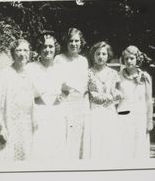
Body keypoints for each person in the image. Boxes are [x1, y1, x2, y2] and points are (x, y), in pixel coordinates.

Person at [0, 38, 36, 161]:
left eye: (25, 50)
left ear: (30, 53)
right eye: (19, 50)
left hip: (26, 127)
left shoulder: (30, 75)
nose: (22, 54)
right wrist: (1, 127)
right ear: (13, 53)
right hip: (9, 126)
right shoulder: (3, 75)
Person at [26, 32, 67, 160]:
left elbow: (67, 88)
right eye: (44, 46)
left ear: (55, 48)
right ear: (39, 49)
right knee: (38, 150)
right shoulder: (30, 68)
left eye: (50, 46)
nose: (48, 50)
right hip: (38, 113)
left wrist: (61, 98)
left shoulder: (61, 68)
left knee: (56, 150)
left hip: (57, 113)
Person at [54, 28, 89, 159]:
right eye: (71, 41)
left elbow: (85, 83)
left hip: (80, 104)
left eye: (77, 41)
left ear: (81, 42)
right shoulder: (59, 59)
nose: (74, 44)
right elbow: (56, 81)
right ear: (66, 42)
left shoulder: (83, 60)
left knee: (78, 137)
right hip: (64, 102)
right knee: (64, 136)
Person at [86, 41, 123, 159]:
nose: (100, 57)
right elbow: (92, 95)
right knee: (96, 143)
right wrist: (109, 97)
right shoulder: (88, 73)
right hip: (94, 112)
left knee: (109, 144)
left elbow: (114, 91)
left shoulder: (113, 73)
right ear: (93, 55)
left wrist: (117, 95)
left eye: (103, 54)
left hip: (109, 113)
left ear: (108, 56)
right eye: (98, 54)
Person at [117, 45, 153, 159]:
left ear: (137, 59)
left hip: (140, 117)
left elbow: (148, 100)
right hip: (123, 116)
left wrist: (149, 120)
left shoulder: (145, 77)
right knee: (123, 148)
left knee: (139, 148)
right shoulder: (117, 77)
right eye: (126, 58)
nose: (129, 61)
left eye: (131, 58)